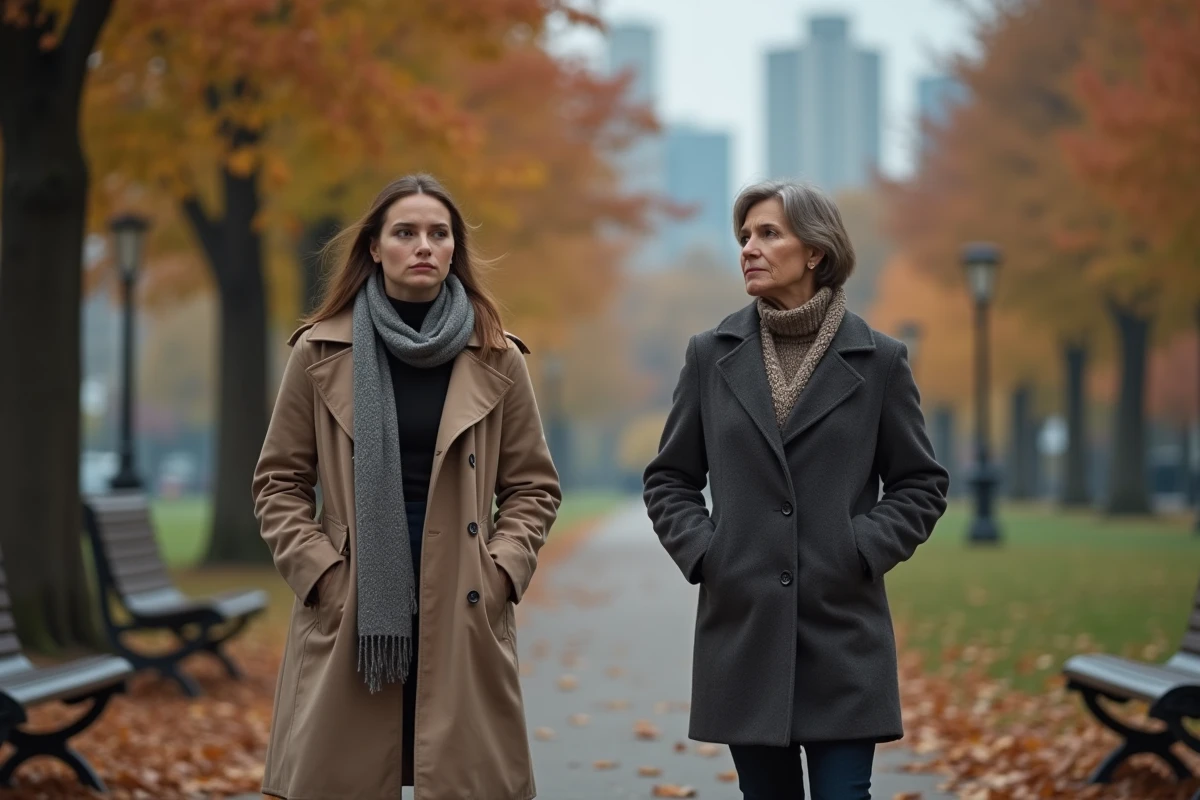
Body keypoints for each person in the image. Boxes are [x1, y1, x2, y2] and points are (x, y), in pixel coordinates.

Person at [253, 173, 561, 799]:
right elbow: (279, 482)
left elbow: (532, 486)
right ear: (374, 247)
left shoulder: (496, 353)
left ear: (454, 249)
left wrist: (500, 572)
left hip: (463, 596)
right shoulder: (320, 351)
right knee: (349, 778)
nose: (423, 245)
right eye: (405, 232)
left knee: (461, 781)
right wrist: (323, 576)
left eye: (438, 233)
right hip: (357, 597)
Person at [642, 180, 949, 800]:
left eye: (768, 234)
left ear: (815, 253)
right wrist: (709, 552)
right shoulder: (710, 355)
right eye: (745, 236)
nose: (749, 249)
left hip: (842, 632)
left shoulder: (880, 361)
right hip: (746, 630)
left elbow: (920, 483)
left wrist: (859, 547)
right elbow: (670, 478)